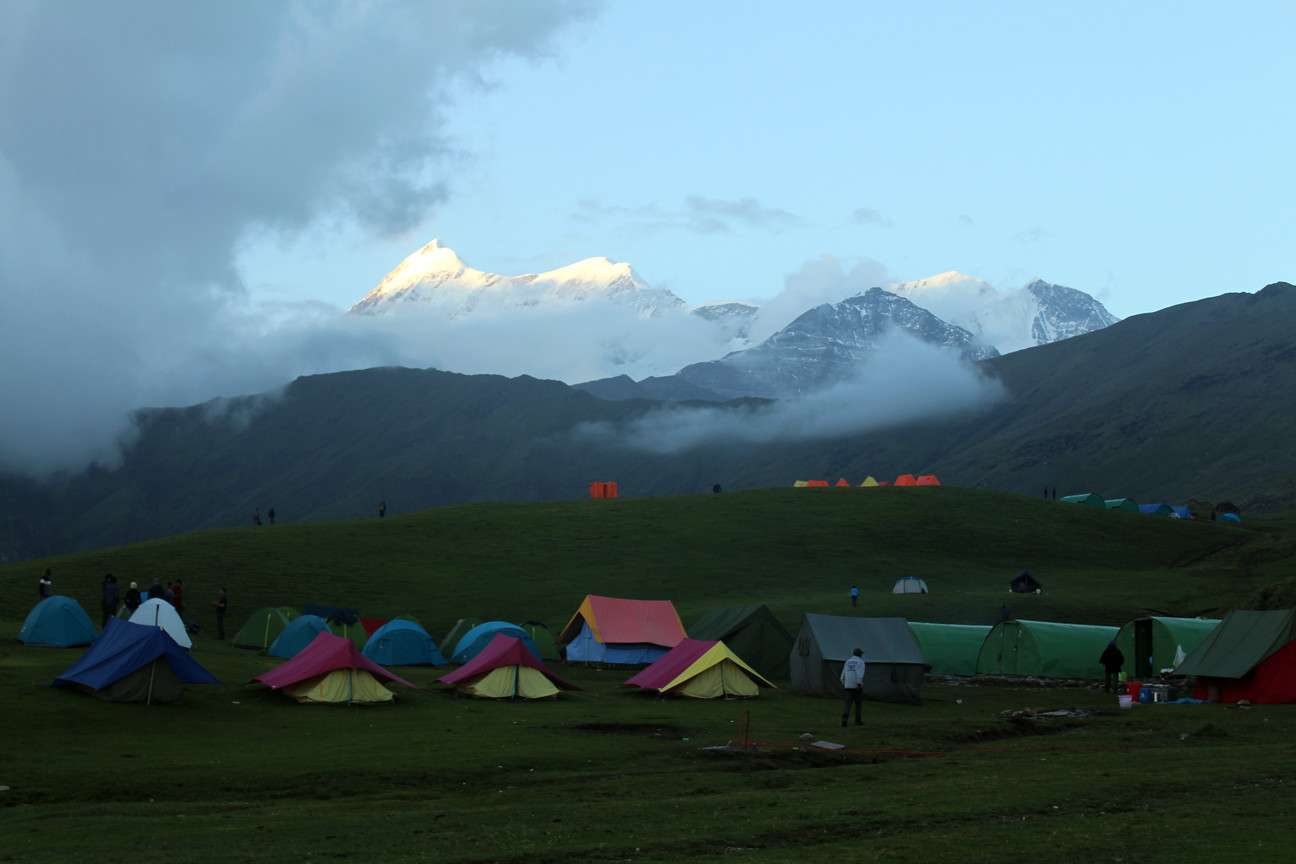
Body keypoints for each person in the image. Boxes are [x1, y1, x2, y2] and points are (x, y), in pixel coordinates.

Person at [841, 648, 866, 727]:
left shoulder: (847, 662)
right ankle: (857, 721)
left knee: (847, 704)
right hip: (856, 687)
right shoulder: (860, 662)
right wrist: (859, 684)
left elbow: (843, 675)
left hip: (847, 686)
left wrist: (843, 684)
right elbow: (860, 674)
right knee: (858, 704)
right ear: (860, 654)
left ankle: (844, 719)